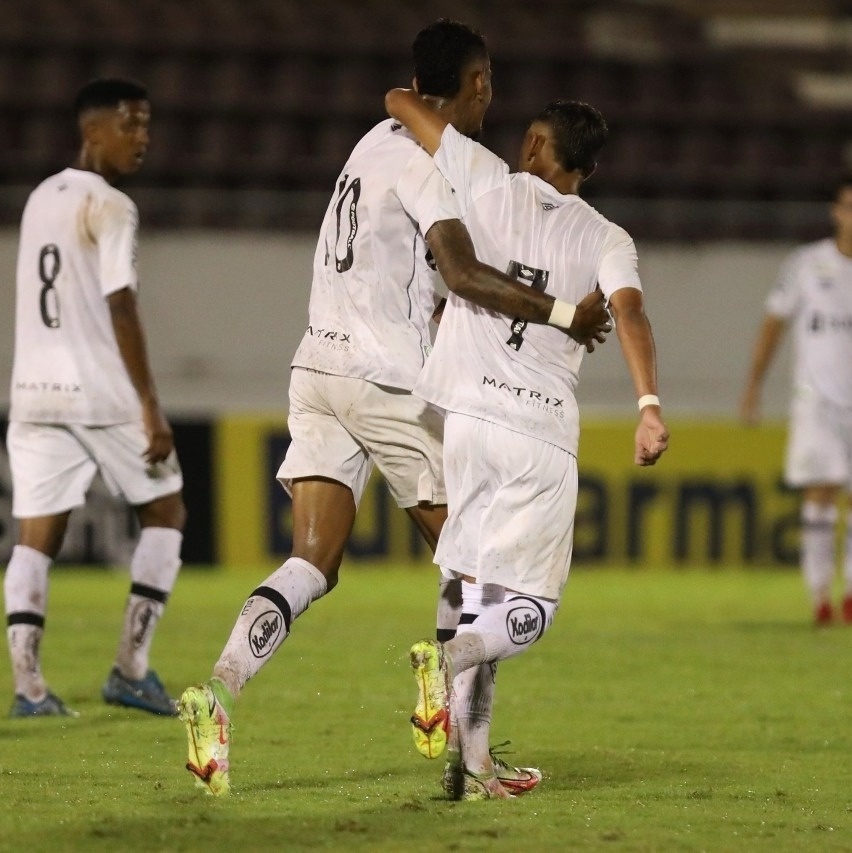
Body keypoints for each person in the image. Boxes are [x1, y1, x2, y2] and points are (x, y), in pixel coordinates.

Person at [178, 19, 611, 797]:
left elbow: (414, 269)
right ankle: (472, 757)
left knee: (313, 559)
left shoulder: (370, 142)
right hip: (389, 378)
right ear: (475, 86)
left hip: (315, 365)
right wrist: (561, 313)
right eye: (489, 86)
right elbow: (465, 271)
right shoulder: (427, 164)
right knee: (476, 565)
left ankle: (218, 690)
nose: (492, 101)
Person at [383, 88, 669, 798]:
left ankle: (473, 764)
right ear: (589, 171)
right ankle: (447, 662)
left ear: (537, 147)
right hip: (538, 430)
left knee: (472, 587)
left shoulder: (482, 181)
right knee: (528, 609)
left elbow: (398, 101)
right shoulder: (606, 237)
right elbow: (629, 313)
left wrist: (437, 100)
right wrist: (649, 405)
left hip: (467, 420)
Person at [3, 78, 185, 718]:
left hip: (31, 391)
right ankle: (130, 670)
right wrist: (150, 405)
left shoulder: (40, 197)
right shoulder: (112, 205)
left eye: (146, 125)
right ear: (92, 131)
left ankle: (29, 690)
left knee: (35, 537)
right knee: (167, 513)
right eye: (130, 125)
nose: (142, 138)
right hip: (99, 392)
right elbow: (121, 305)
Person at [740, 175, 852, 626]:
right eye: (848, 206)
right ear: (836, 211)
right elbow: (773, 326)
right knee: (821, 491)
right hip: (817, 400)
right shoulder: (806, 264)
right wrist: (754, 386)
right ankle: (820, 594)